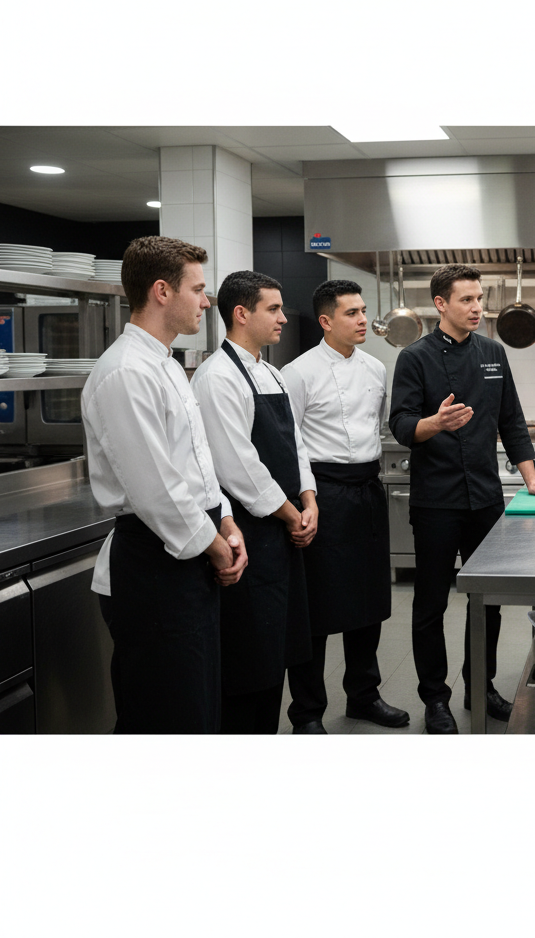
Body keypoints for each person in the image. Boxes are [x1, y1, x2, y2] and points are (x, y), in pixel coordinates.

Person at [389, 263, 535, 733]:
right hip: (436, 500)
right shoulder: (415, 357)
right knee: (430, 602)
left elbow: (511, 418)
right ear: (441, 304)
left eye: (480, 298)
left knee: (486, 601)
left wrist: (529, 479)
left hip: (486, 498)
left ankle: (480, 686)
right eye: (467, 300)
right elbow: (403, 424)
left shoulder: (493, 352)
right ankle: (435, 698)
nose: (477, 308)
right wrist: (436, 423)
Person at [82, 236, 247, 733]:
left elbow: (196, 465)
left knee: (195, 706)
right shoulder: (126, 373)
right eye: (198, 289)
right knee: (163, 714)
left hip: (190, 556)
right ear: (161, 291)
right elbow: (158, 490)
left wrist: (229, 521)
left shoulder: (168, 363)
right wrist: (218, 548)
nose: (206, 301)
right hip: (154, 566)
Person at [281, 280, 409, 733]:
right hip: (322, 493)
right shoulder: (297, 372)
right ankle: (307, 712)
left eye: (362, 312)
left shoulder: (376, 367)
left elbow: (375, 428)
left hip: (366, 490)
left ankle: (363, 696)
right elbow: (289, 442)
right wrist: (304, 500)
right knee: (315, 610)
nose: (362, 321)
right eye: (352, 313)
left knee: (369, 603)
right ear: (325, 321)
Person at [191, 270, 316, 734]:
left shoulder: (271, 373)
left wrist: (309, 500)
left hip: (284, 533)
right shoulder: (217, 377)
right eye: (274, 309)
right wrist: (290, 514)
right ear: (241, 314)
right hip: (248, 533)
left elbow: (296, 446)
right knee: (249, 660)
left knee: (277, 651)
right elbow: (236, 465)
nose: (284, 317)